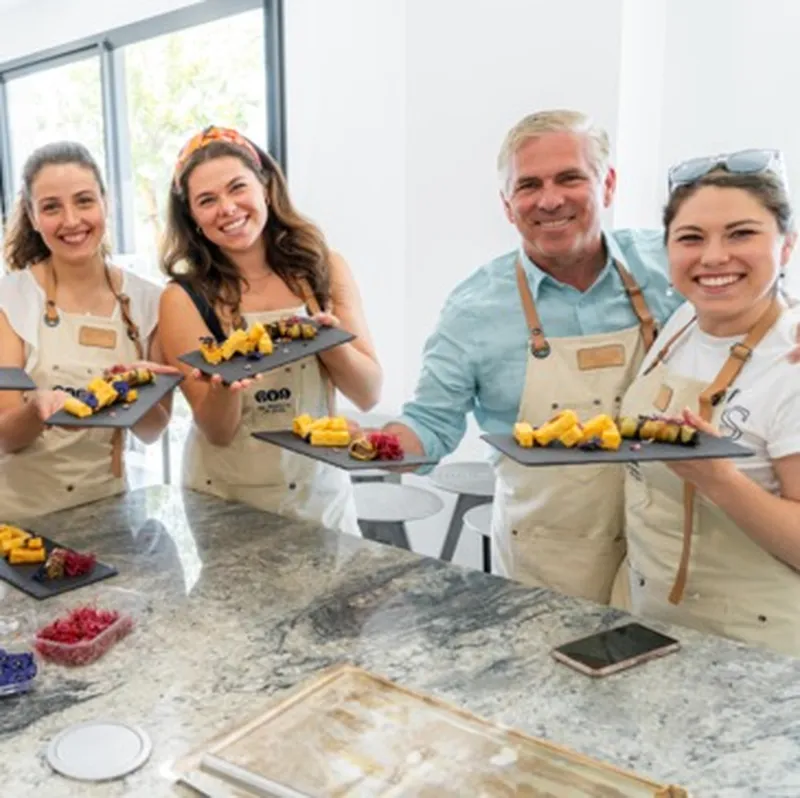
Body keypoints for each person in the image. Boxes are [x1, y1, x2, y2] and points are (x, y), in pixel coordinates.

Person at [377, 109, 680, 604]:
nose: (550, 199)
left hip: (670, 549)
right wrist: (375, 446)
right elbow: (431, 425)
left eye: (570, 178)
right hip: (547, 558)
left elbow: (753, 314)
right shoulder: (473, 309)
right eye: (529, 185)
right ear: (507, 204)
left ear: (608, 185)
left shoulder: (669, 266)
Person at [158, 125, 381, 535]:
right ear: (192, 216)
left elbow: (368, 393)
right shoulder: (183, 297)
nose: (227, 208)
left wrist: (329, 344)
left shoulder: (323, 270)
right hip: (226, 500)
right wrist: (226, 384)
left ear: (264, 186)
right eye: (207, 200)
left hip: (319, 494)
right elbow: (217, 430)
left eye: (237, 188)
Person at [620, 154, 800, 656]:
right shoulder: (681, 321)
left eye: (741, 234)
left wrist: (719, 479)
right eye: (691, 238)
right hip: (654, 616)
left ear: (786, 246)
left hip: (755, 647)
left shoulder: (792, 362)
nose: (714, 257)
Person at [0, 142, 173, 520]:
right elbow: (6, 437)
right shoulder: (9, 300)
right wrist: (37, 410)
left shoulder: (148, 301)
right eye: (51, 207)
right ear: (31, 216)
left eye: (83, 201)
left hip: (110, 511)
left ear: (105, 204)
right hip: (21, 520)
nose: (71, 220)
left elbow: (152, 431)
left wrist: (138, 392)